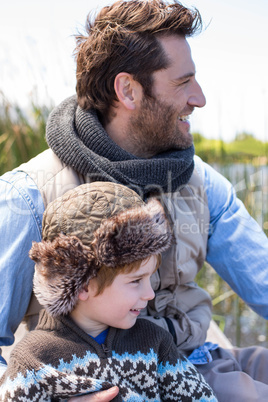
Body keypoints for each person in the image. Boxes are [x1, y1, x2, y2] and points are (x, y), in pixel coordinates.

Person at [0, 0, 268, 400]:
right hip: (109, 382)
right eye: (183, 82)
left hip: (195, 358)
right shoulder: (26, 196)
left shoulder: (202, 183)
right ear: (127, 90)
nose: (199, 98)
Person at [0, 182, 217, 401]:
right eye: (136, 281)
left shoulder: (155, 344)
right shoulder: (33, 361)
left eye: (149, 278)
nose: (150, 294)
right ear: (83, 284)